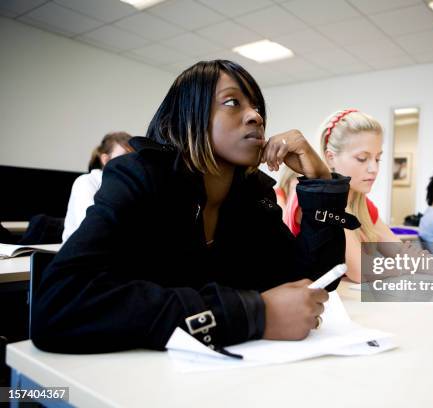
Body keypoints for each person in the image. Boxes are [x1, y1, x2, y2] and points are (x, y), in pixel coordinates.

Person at [31, 60, 357, 354]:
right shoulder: (141, 175)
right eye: (232, 102)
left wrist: (320, 182)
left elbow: (312, 287)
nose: (256, 116)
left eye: (257, 107)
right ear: (189, 116)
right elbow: (59, 306)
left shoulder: (252, 194)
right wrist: (252, 314)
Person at [286, 110, 433, 285]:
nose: (373, 169)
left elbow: (402, 253)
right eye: (362, 158)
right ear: (330, 158)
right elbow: (361, 270)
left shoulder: (364, 206)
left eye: (378, 159)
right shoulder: (314, 201)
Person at [62, 132, 132, 242]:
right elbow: (91, 228)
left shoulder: (130, 187)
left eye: (133, 158)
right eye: (124, 158)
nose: (130, 164)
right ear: (106, 160)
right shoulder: (86, 182)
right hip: (81, 250)